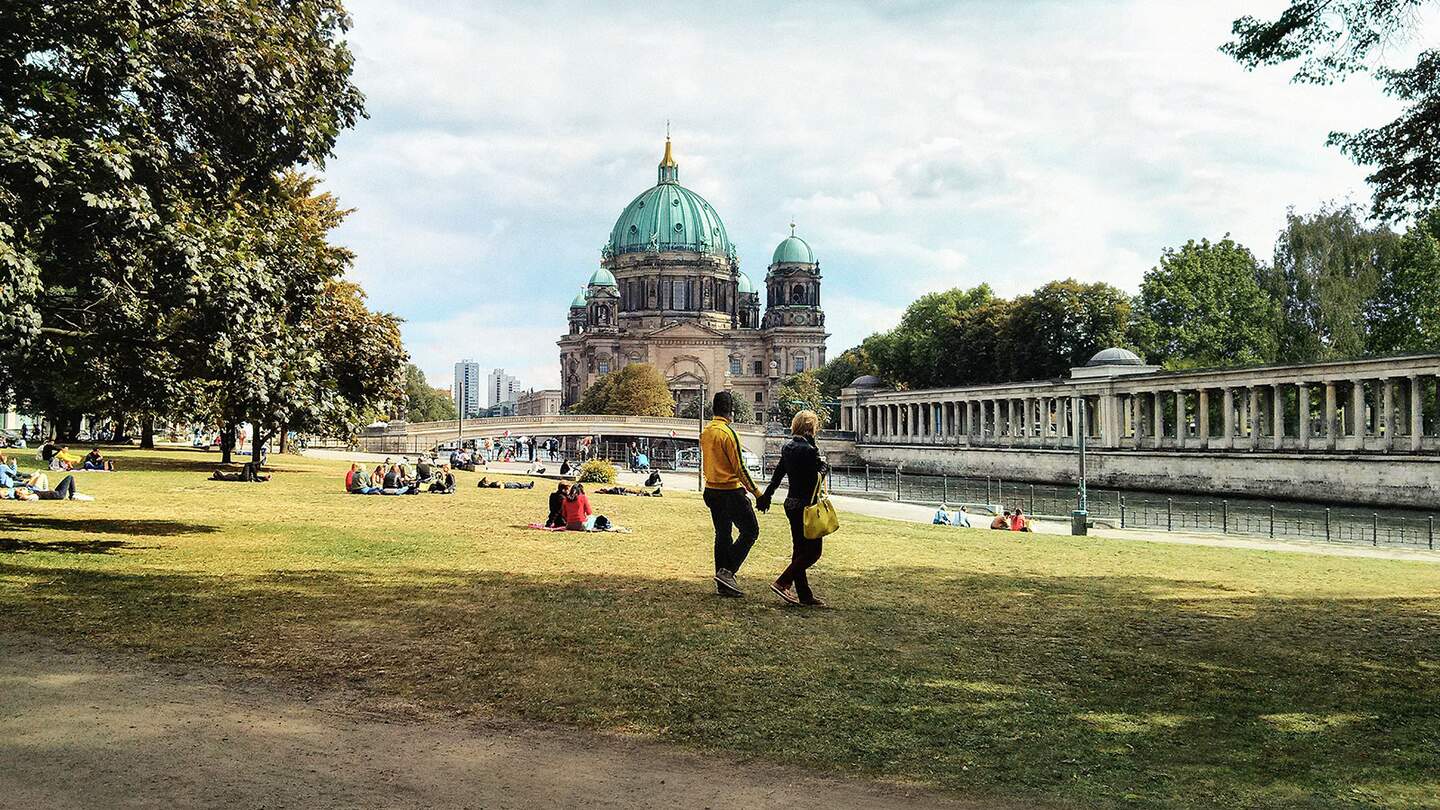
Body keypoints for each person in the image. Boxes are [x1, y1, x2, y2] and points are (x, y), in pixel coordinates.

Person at [756, 409, 829, 607]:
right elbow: (816, 477)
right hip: (807, 505)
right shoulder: (810, 450)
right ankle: (783, 582)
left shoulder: (787, 447)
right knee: (813, 552)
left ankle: (805, 596)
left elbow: (778, 475)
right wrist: (824, 467)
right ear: (811, 428)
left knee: (799, 550)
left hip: (790, 504)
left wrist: (766, 497)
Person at [701, 390, 761, 597]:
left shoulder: (706, 431)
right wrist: (757, 492)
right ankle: (728, 572)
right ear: (731, 412)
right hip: (729, 491)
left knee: (723, 534)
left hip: (711, 490)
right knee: (750, 531)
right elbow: (740, 468)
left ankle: (723, 583)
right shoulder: (728, 433)